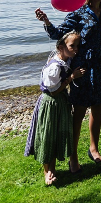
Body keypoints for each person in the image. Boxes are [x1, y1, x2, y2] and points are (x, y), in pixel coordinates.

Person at [35, 0, 101, 171]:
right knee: (79, 112)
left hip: (100, 65)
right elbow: (58, 34)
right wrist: (46, 21)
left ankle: (94, 149)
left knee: (97, 108)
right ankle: (73, 156)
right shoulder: (80, 11)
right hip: (82, 67)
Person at [24, 32, 86, 184]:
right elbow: (53, 90)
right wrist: (71, 78)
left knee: (58, 134)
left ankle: (52, 169)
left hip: (60, 103)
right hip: (51, 103)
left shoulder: (65, 60)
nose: (76, 49)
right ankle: (47, 171)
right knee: (48, 135)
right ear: (60, 47)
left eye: (77, 46)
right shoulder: (54, 66)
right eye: (72, 46)